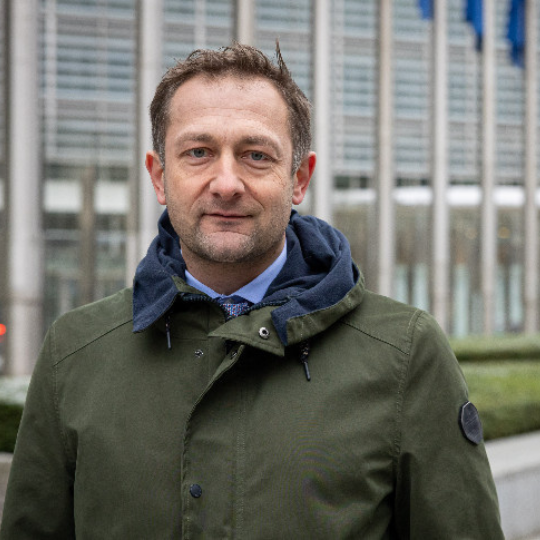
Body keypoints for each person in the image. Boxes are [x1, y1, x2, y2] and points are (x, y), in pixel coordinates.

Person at [0, 43, 504, 539]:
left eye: (256, 155)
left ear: (298, 179)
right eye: (198, 153)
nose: (226, 183)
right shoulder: (74, 353)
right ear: (159, 177)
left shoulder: (406, 355)